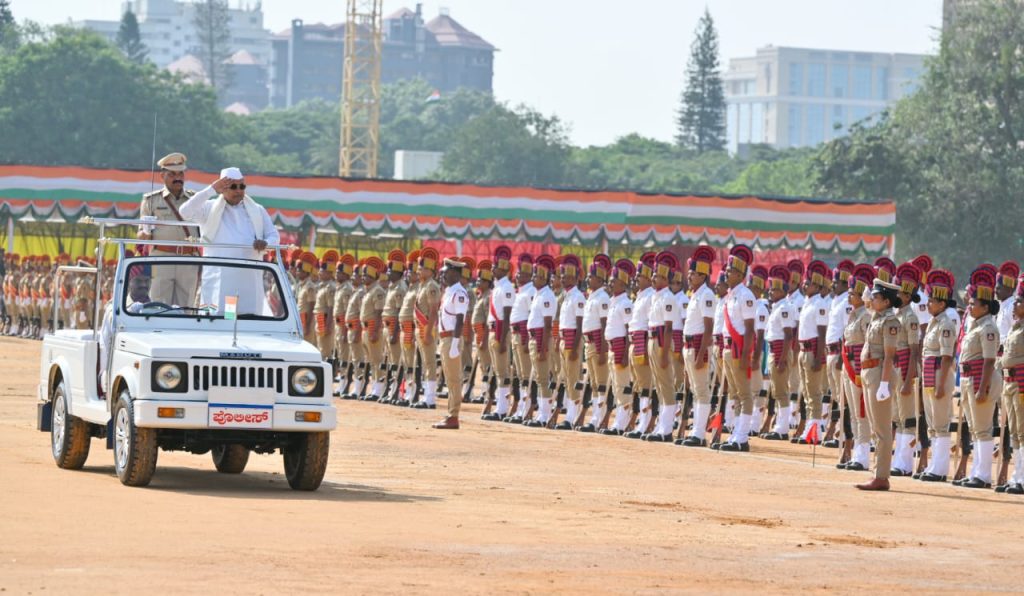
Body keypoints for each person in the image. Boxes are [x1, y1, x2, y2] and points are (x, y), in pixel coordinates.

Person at [177, 167, 280, 315]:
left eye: (241, 186)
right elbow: (184, 212)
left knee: (248, 324)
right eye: (233, 186)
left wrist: (265, 244)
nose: (238, 190)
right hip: (220, 283)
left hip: (248, 282)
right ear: (222, 188)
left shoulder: (257, 210)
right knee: (222, 321)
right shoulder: (209, 208)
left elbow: (273, 236)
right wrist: (210, 190)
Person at [954, 268, 1001, 489]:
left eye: (974, 304)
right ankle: (976, 472)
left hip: (980, 380)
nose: (969, 307)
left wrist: (983, 388)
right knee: (974, 428)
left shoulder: (989, 327)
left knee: (982, 428)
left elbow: (990, 360)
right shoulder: (976, 324)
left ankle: (983, 475)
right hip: (968, 378)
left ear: (985, 307)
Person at [855, 279, 903, 491]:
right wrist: (868, 294)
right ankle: (878, 473)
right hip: (869, 371)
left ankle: (881, 476)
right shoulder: (878, 316)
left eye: (876, 297)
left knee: (882, 429)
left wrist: (884, 383)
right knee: (876, 427)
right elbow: (866, 302)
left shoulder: (890, 322)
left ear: (885, 301)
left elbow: (890, 356)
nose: (871, 299)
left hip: (879, 373)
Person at [138, 152, 199, 306]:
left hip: (188, 258)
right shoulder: (151, 200)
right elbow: (140, 234)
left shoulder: (195, 199)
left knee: (187, 308)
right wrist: (145, 232)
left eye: (180, 174)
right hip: (162, 258)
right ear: (162, 176)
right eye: (172, 174)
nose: (177, 178)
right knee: (159, 306)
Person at [713, 245, 757, 452]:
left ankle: (742, 437)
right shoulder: (731, 295)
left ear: (740, 274)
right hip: (728, 349)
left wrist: (746, 355)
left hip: (739, 349)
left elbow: (749, 329)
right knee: (736, 394)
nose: (726, 274)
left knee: (745, 394)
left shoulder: (746, 295)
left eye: (730, 271)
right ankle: (736, 434)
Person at [917, 269, 958, 482]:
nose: (929, 304)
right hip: (930, 375)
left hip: (940, 375)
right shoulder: (934, 322)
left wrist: (941, 384)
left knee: (941, 423)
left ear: (942, 304)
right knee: (932, 423)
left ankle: (940, 469)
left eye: (932, 301)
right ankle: (934, 464)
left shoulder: (945, 325)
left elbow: (947, 356)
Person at [678, 246, 717, 447]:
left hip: (698, 347)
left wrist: (702, 353)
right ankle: (696, 431)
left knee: (702, 391)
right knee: (695, 390)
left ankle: (699, 433)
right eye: (690, 273)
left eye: (693, 273)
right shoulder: (695, 294)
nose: (689, 276)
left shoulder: (707, 295)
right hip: (689, 346)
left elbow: (709, 328)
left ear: (703, 275)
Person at [890, 262, 923, 476]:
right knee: (899, 417)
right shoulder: (898, 313)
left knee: (908, 418)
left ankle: (905, 463)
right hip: (896, 367)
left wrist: (909, 377)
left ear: (908, 296)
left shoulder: (910, 317)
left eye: (900, 292)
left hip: (905, 367)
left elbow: (913, 350)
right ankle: (899, 460)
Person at [794, 260, 830, 445]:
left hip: (812, 350)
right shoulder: (808, 302)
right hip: (802, 349)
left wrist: (818, 357)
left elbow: (822, 333)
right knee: (807, 392)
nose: (804, 285)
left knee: (814, 392)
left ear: (817, 285)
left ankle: (815, 428)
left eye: (808, 283)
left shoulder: (820, 304)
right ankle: (810, 425)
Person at [433, 259, 470, 429]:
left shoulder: (459, 293)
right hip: (445, 339)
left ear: (454, 274)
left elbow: (460, 320)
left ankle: (453, 416)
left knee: (454, 379)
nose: (442, 275)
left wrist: (455, 343)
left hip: (451, 339)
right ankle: (450, 413)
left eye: (445, 273)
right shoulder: (449, 291)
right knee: (449, 378)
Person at [761, 265, 797, 441]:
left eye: (775, 289)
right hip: (774, 350)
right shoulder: (777, 306)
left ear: (783, 291)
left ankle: (782, 428)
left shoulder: (784, 308)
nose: (771, 292)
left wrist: (782, 359)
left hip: (779, 350)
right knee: (776, 390)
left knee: (781, 391)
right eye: (770, 288)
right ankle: (779, 425)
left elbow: (789, 335)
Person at [578, 254, 611, 432]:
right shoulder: (592, 296)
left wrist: (602, 351)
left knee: (601, 383)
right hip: (589, 343)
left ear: (599, 279)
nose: (588, 279)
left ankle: (598, 419)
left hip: (598, 343)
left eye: (591, 277)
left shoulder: (603, 298)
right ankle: (596, 417)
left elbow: (604, 325)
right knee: (595, 384)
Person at [625, 253, 656, 439]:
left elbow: (648, 324)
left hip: (642, 341)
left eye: (640, 275)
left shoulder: (650, 296)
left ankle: (646, 422)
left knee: (646, 385)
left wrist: (643, 347)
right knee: (637, 384)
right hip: (634, 341)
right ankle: (640, 420)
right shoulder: (641, 296)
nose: (636, 278)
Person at [603, 259, 636, 436]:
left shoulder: (625, 304)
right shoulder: (613, 301)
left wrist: (624, 354)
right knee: (616, 385)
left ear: (622, 283)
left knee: (622, 385)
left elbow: (627, 331)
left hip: (619, 346)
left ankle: (622, 422)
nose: (610, 283)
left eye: (614, 281)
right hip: (611, 347)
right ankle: (620, 420)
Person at [523, 255, 557, 427]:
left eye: (536, 275)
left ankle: (545, 413)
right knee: (538, 377)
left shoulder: (547, 296)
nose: (533, 278)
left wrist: (543, 349)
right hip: (533, 338)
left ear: (543, 278)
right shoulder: (538, 294)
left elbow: (547, 325)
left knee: (543, 379)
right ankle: (542, 412)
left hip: (540, 339)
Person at [483, 246, 516, 421]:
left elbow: (507, 315)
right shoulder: (497, 287)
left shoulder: (507, 287)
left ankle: (502, 408)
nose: (492, 270)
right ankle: (499, 405)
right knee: (496, 371)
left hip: (500, 331)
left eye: (495, 267)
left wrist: (502, 340)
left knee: (502, 372)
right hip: (492, 329)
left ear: (503, 269)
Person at [998, 277, 1024, 494]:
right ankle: (1018, 477)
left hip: (1022, 383)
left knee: (1023, 431)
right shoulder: (1016, 327)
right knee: (1015, 432)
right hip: (1010, 382)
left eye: (1018, 302)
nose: (1014, 305)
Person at [554, 255, 585, 430]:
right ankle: (570, 414)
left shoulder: (578, 297)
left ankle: (572, 416)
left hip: (573, 340)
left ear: (573, 277)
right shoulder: (566, 296)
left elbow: (579, 325)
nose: (562, 278)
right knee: (566, 378)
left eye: (565, 275)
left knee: (573, 379)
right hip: (564, 340)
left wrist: (574, 347)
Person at [413, 249, 442, 409]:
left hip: (427, 328)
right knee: (424, 363)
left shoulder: (432, 286)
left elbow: (433, 310)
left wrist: (429, 332)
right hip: (420, 327)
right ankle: (426, 395)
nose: (418, 271)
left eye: (421, 268)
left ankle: (430, 398)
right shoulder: (422, 285)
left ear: (430, 270)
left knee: (430, 363)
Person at [380, 250, 408, 404]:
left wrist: (394, 332)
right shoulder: (392, 287)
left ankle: (398, 391)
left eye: (391, 271)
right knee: (390, 361)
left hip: (394, 328)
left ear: (399, 273)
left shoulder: (400, 289)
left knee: (397, 361)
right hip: (387, 326)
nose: (388, 273)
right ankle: (390, 390)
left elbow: (398, 312)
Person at [360, 257, 387, 400]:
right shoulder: (368, 291)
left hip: (372, 328)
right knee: (371, 361)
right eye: (363, 275)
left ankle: (378, 390)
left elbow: (378, 313)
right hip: (365, 329)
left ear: (374, 276)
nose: (363, 278)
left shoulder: (377, 291)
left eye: (367, 275)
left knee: (377, 361)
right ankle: (374, 388)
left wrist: (375, 331)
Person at [313, 250, 339, 363]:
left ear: (329, 273)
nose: (319, 272)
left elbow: (330, 308)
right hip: (319, 320)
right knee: (320, 349)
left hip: (325, 320)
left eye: (322, 271)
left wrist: (328, 326)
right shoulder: (322, 286)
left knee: (326, 351)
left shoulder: (330, 287)